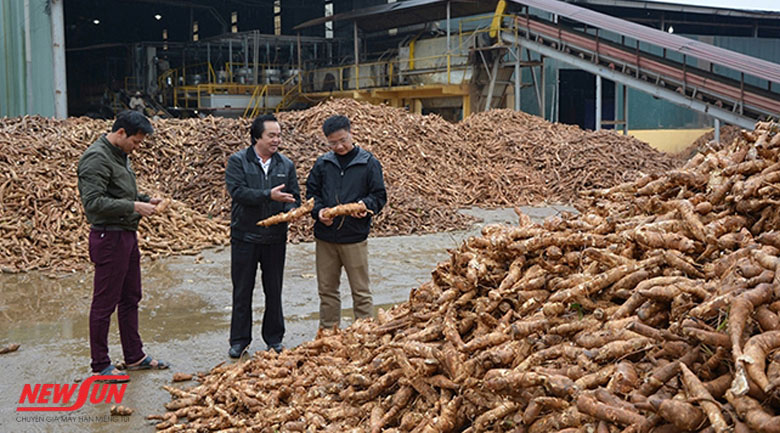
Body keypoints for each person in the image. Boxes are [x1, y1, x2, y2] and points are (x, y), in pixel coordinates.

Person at [77, 110, 169, 381]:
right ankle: (100, 364)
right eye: (136, 142)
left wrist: (144, 199)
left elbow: (119, 192)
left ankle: (134, 356)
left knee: (131, 297)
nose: (137, 147)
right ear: (120, 133)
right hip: (109, 237)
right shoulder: (96, 158)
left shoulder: (120, 155)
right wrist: (133, 206)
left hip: (126, 234)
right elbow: (93, 203)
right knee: (104, 303)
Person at [225, 114, 300, 358]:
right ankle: (239, 340)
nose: (277, 140)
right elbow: (238, 193)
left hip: (275, 238)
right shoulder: (238, 161)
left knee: (274, 289)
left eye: (279, 135)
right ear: (257, 136)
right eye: (272, 135)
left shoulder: (285, 165)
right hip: (245, 236)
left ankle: (274, 338)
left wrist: (290, 212)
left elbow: (293, 197)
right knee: (242, 290)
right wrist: (269, 195)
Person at [306, 115, 387, 329]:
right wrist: (319, 211)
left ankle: (364, 332)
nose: (339, 146)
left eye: (343, 140)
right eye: (333, 142)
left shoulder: (368, 163)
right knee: (327, 289)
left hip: (354, 237)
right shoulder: (323, 164)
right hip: (326, 237)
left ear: (351, 133)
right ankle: (329, 333)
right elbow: (312, 194)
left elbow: (379, 196)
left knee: (360, 290)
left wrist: (365, 207)